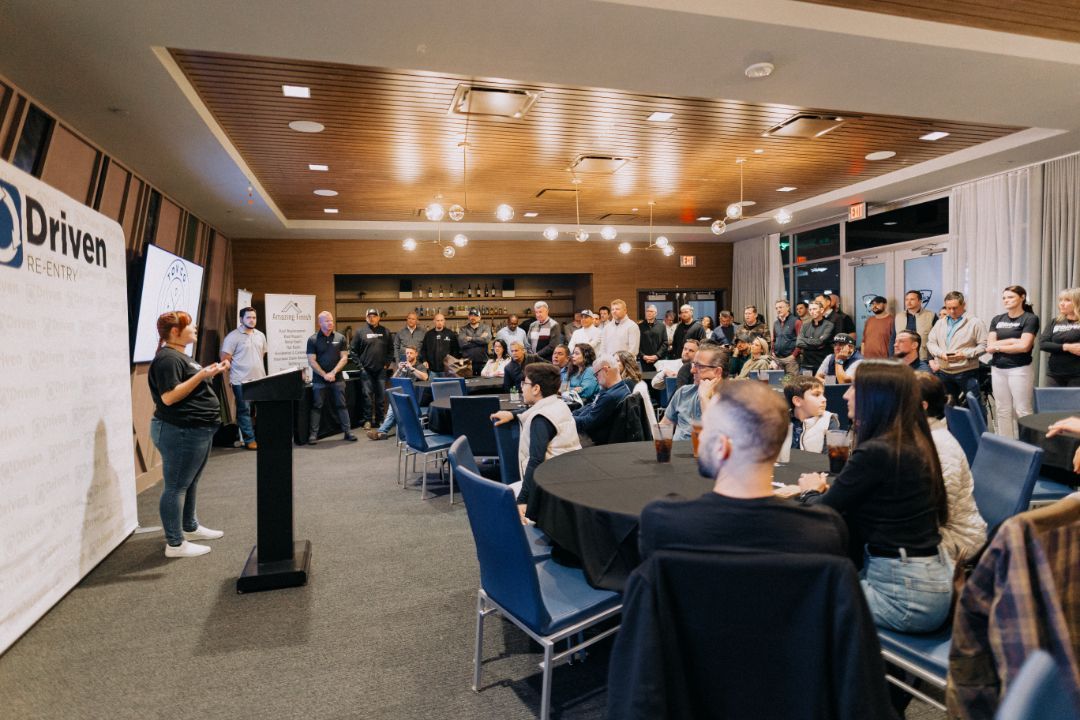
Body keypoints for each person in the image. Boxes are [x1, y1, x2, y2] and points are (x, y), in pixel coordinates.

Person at [794, 361, 953, 633]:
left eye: (854, 388)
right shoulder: (912, 440)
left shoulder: (878, 451)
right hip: (926, 580)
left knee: (798, 593)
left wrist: (809, 490)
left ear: (877, 397)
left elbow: (823, 512)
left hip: (906, 596)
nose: (845, 395)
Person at [640, 379, 847, 560]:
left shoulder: (663, 521)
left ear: (722, 447)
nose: (700, 439)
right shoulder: (824, 530)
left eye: (706, 431)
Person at [149, 311, 228, 558]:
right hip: (180, 430)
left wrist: (209, 372)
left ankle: (189, 527)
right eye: (190, 325)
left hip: (196, 429)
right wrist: (202, 375)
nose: (195, 328)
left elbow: (188, 386)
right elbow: (169, 397)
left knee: (190, 482)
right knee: (176, 487)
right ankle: (175, 544)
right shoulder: (167, 359)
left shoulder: (180, 356)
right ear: (175, 331)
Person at [491, 363, 582, 522]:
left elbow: (535, 461)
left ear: (536, 389)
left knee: (499, 510)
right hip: (568, 481)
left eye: (524, 383)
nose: (521, 387)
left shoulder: (541, 420)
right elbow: (535, 410)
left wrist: (523, 499)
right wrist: (513, 415)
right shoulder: (559, 404)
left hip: (549, 489)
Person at [915, 372, 987, 561]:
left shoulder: (940, 446)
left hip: (959, 538)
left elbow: (940, 511)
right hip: (936, 529)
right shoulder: (920, 435)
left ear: (923, 406)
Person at [987, 285, 1039, 438]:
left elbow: (1024, 346)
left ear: (1022, 297)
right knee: (1002, 409)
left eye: (1010, 297)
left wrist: (999, 346)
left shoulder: (1030, 318)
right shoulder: (997, 319)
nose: (1006, 300)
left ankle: (1028, 443)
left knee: (1022, 409)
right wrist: (1012, 341)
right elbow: (989, 346)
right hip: (998, 369)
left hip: (1019, 369)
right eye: (1004, 298)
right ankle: (1007, 443)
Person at [926, 291, 988, 408]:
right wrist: (941, 353)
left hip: (967, 371)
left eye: (955, 308)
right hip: (944, 372)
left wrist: (965, 354)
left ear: (963, 305)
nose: (951, 311)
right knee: (950, 407)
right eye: (948, 308)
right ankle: (953, 422)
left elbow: (984, 346)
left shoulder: (975, 322)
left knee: (975, 406)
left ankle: (978, 422)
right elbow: (931, 343)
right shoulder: (940, 323)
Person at [220, 306, 267, 449]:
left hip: (260, 379)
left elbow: (262, 354)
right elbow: (225, 359)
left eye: (254, 317)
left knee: (263, 410)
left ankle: (262, 437)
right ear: (241, 319)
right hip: (241, 381)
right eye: (248, 317)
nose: (252, 320)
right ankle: (249, 440)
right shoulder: (232, 337)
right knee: (244, 411)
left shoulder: (260, 335)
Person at [307, 311, 357, 443]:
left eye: (331, 320)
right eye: (327, 321)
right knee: (317, 406)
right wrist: (325, 375)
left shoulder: (340, 338)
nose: (330, 323)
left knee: (342, 405)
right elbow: (311, 361)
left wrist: (333, 373)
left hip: (337, 378)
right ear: (320, 323)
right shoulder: (312, 339)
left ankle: (348, 432)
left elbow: (344, 358)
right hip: (319, 379)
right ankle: (313, 435)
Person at [659, 343, 725, 441]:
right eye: (694, 364)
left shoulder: (731, 400)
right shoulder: (684, 392)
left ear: (717, 372)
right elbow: (664, 426)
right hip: (677, 449)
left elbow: (716, 437)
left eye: (699, 366)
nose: (692, 370)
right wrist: (661, 445)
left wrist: (704, 398)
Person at [367, 345, 429, 441]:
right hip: (403, 394)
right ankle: (382, 432)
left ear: (416, 354)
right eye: (407, 353)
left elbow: (425, 377)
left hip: (413, 397)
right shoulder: (403, 366)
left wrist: (412, 368)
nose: (408, 355)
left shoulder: (420, 366)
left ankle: (382, 432)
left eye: (411, 353)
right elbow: (393, 379)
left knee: (394, 407)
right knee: (393, 406)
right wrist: (399, 370)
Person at [572, 354, 633, 444]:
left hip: (595, 442)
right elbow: (591, 405)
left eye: (596, 374)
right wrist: (573, 414)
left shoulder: (610, 396)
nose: (596, 379)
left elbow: (587, 423)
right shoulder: (621, 387)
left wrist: (568, 419)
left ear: (605, 370)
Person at [350, 308, 392, 430]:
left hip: (381, 370)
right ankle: (367, 420)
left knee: (380, 397)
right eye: (369, 316)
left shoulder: (385, 331)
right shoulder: (360, 332)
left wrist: (387, 364)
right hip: (366, 370)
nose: (372, 318)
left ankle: (380, 420)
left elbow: (391, 350)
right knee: (367, 397)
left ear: (379, 318)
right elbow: (353, 351)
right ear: (366, 318)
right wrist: (360, 367)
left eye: (374, 316)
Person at [784, 375, 839, 453]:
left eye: (823, 395)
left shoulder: (829, 421)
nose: (824, 399)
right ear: (797, 401)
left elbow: (830, 456)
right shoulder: (781, 421)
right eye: (817, 395)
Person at [1039, 287, 1080, 387]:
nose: (1062, 303)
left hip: (1077, 374)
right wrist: (1066, 347)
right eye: (1060, 300)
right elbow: (1043, 344)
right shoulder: (1055, 321)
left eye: (1067, 300)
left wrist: (1057, 347)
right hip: (1054, 374)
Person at [615, 349, 659, 431]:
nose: (613, 364)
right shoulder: (633, 381)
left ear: (626, 364)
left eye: (617, 361)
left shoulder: (628, 383)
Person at [894, 290, 936, 361]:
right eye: (906, 299)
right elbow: (893, 337)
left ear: (920, 301)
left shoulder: (931, 315)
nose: (908, 302)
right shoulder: (899, 317)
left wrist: (932, 359)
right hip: (903, 358)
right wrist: (893, 356)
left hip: (924, 358)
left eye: (912, 299)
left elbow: (936, 339)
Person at [796, 300, 835, 373]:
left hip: (823, 364)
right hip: (807, 364)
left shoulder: (829, 325)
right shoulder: (805, 326)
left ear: (821, 310)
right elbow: (798, 342)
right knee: (804, 381)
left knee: (823, 381)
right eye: (810, 309)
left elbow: (820, 342)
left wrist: (805, 340)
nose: (812, 312)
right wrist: (817, 345)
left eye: (814, 309)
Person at [772, 299, 801, 376]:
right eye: (776, 308)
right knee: (778, 381)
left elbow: (800, 341)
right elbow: (774, 339)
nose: (778, 310)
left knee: (789, 381)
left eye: (780, 307)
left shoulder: (796, 321)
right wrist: (773, 352)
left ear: (788, 307)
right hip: (777, 359)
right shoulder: (776, 323)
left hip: (790, 359)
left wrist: (794, 355)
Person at [637, 303, 665, 371]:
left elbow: (665, 342)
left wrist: (657, 355)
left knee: (658, 377)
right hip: (644, 360)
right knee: (646, 377)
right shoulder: (639, 326)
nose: (649, 313)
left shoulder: (661, 326)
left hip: (658, 359)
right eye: (647, 311)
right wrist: (643, 356)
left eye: (651, 311)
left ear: (656, 313)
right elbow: (636, 343)